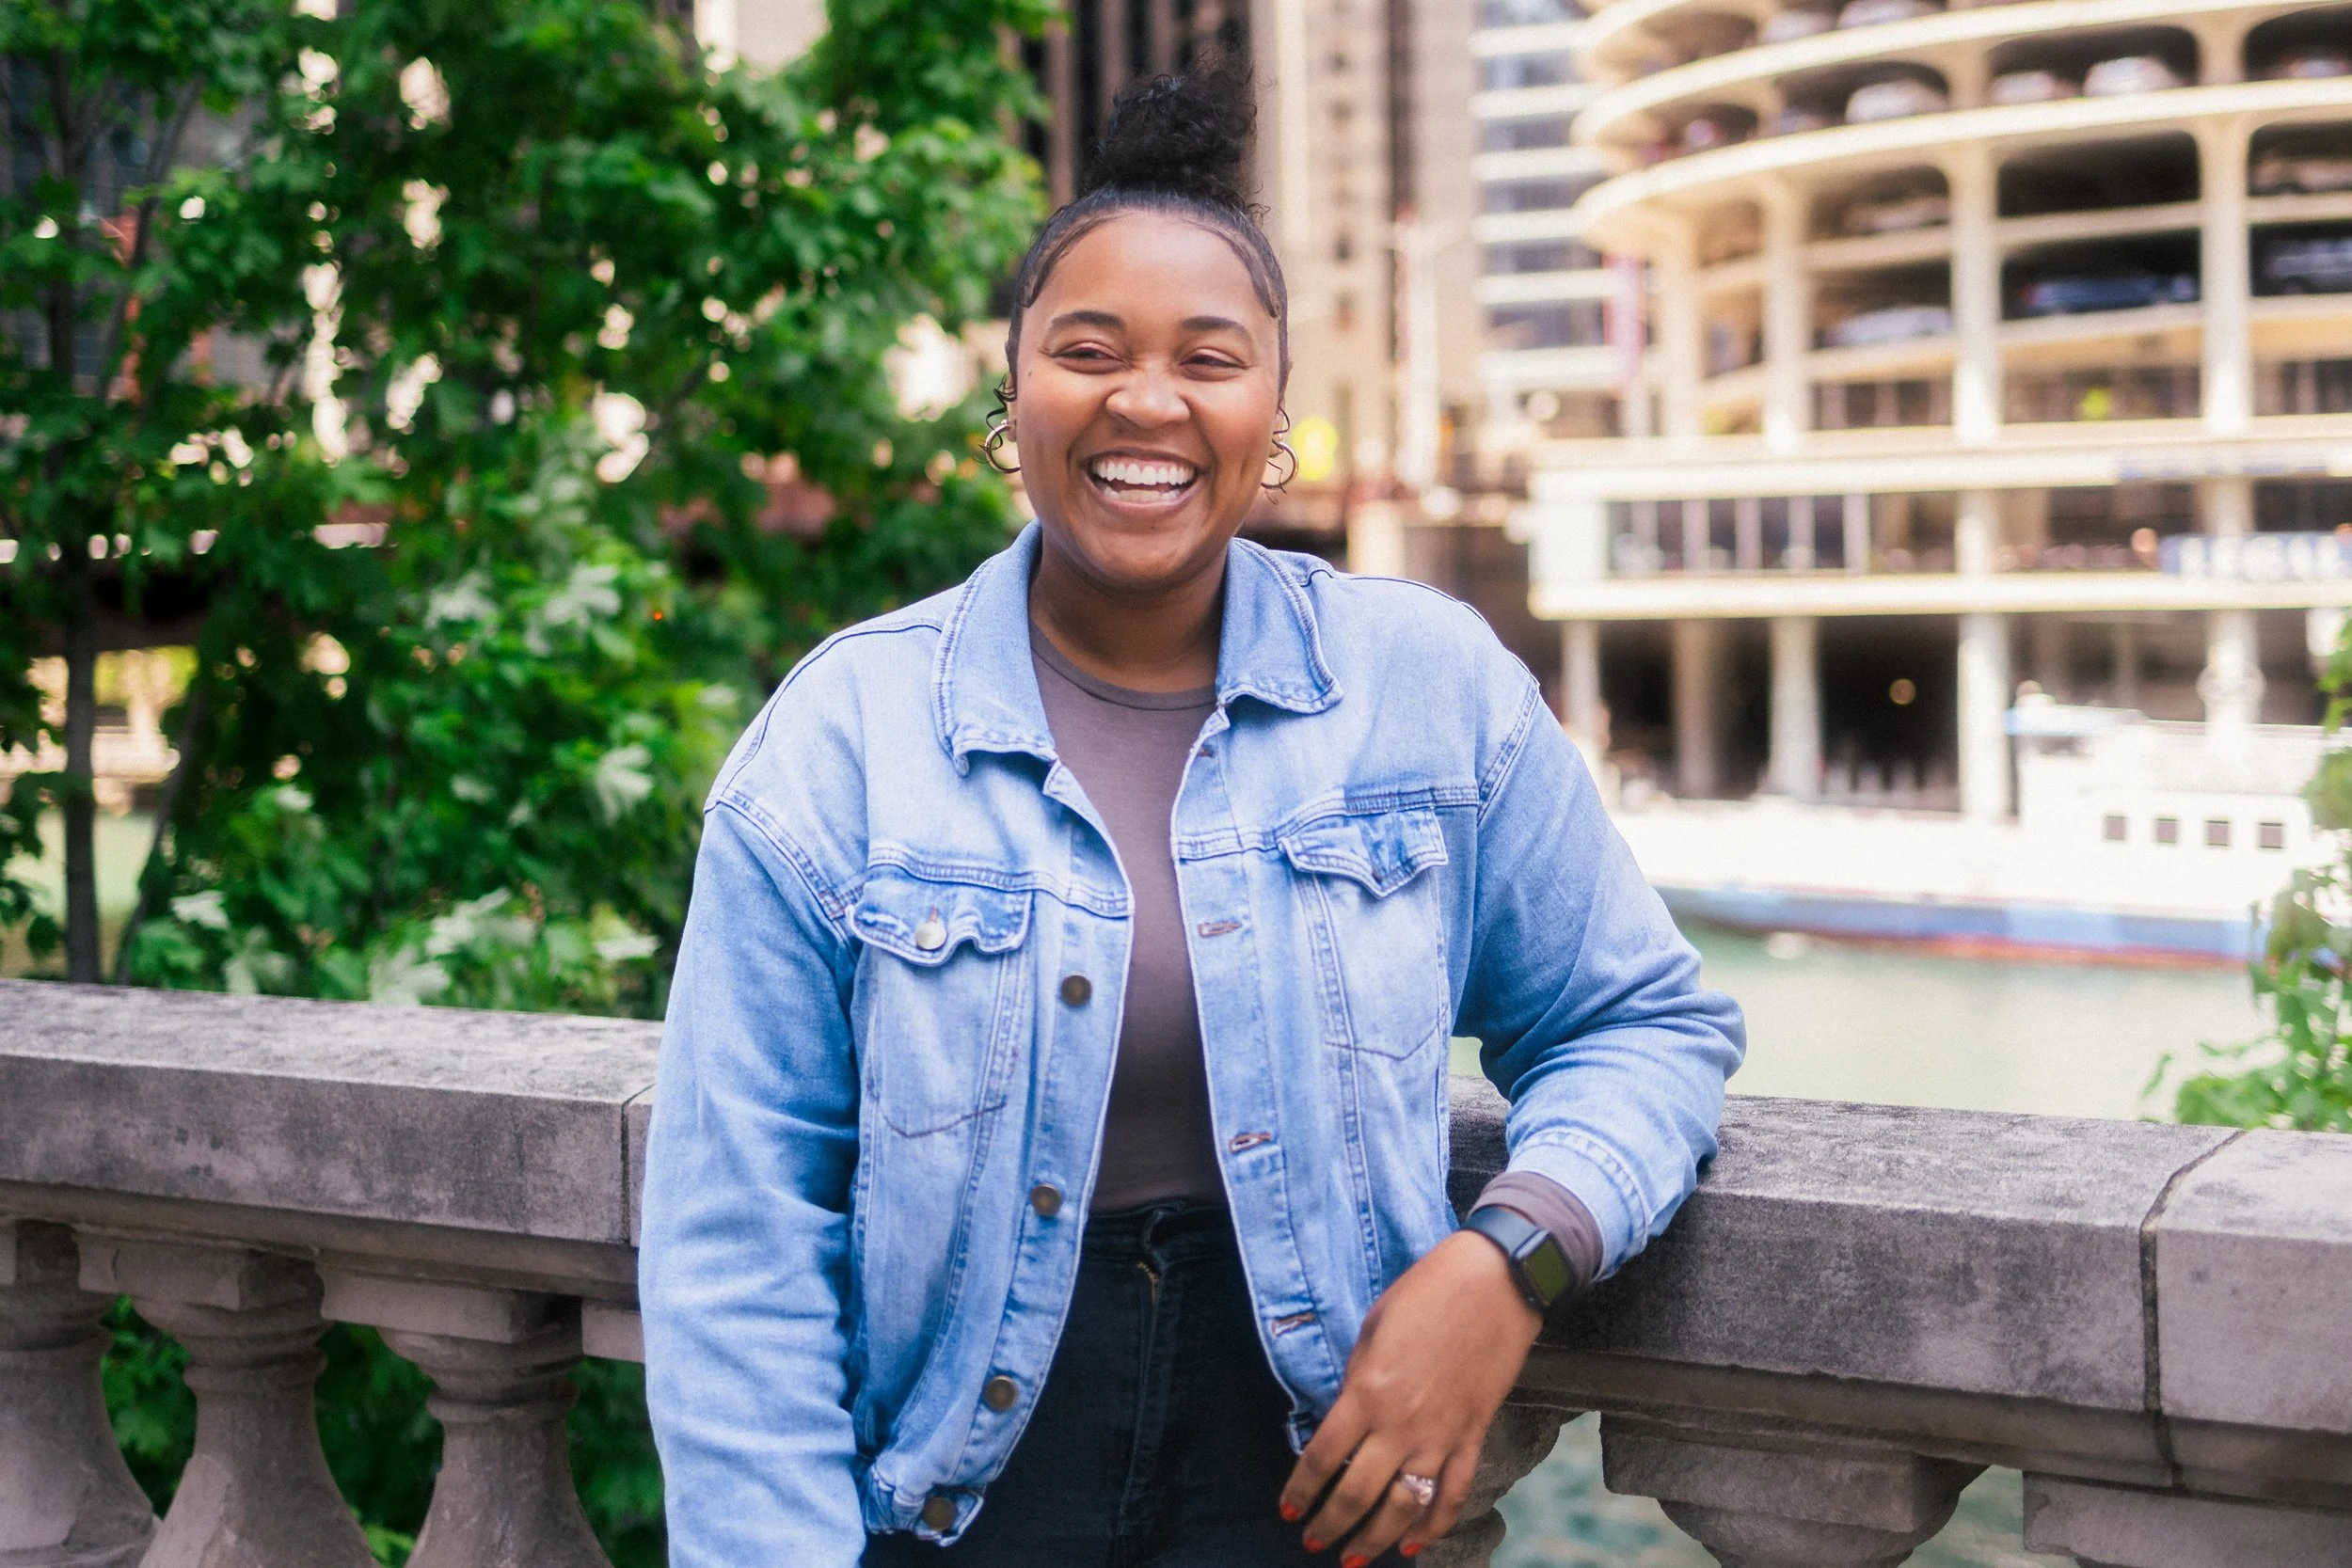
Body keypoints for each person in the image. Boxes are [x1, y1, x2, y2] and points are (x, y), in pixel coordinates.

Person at [638, 58, 1743, 1568]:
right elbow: (734, 1237)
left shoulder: (1427, 687)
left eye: (1208, 358)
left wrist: (1507, 1262)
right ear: (1010, 397)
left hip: (1311, 1495)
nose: (1145, 399)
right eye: (1088, 349)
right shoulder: (840, 741)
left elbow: (1643, 1025)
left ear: (1274, 412)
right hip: (956, 1504)